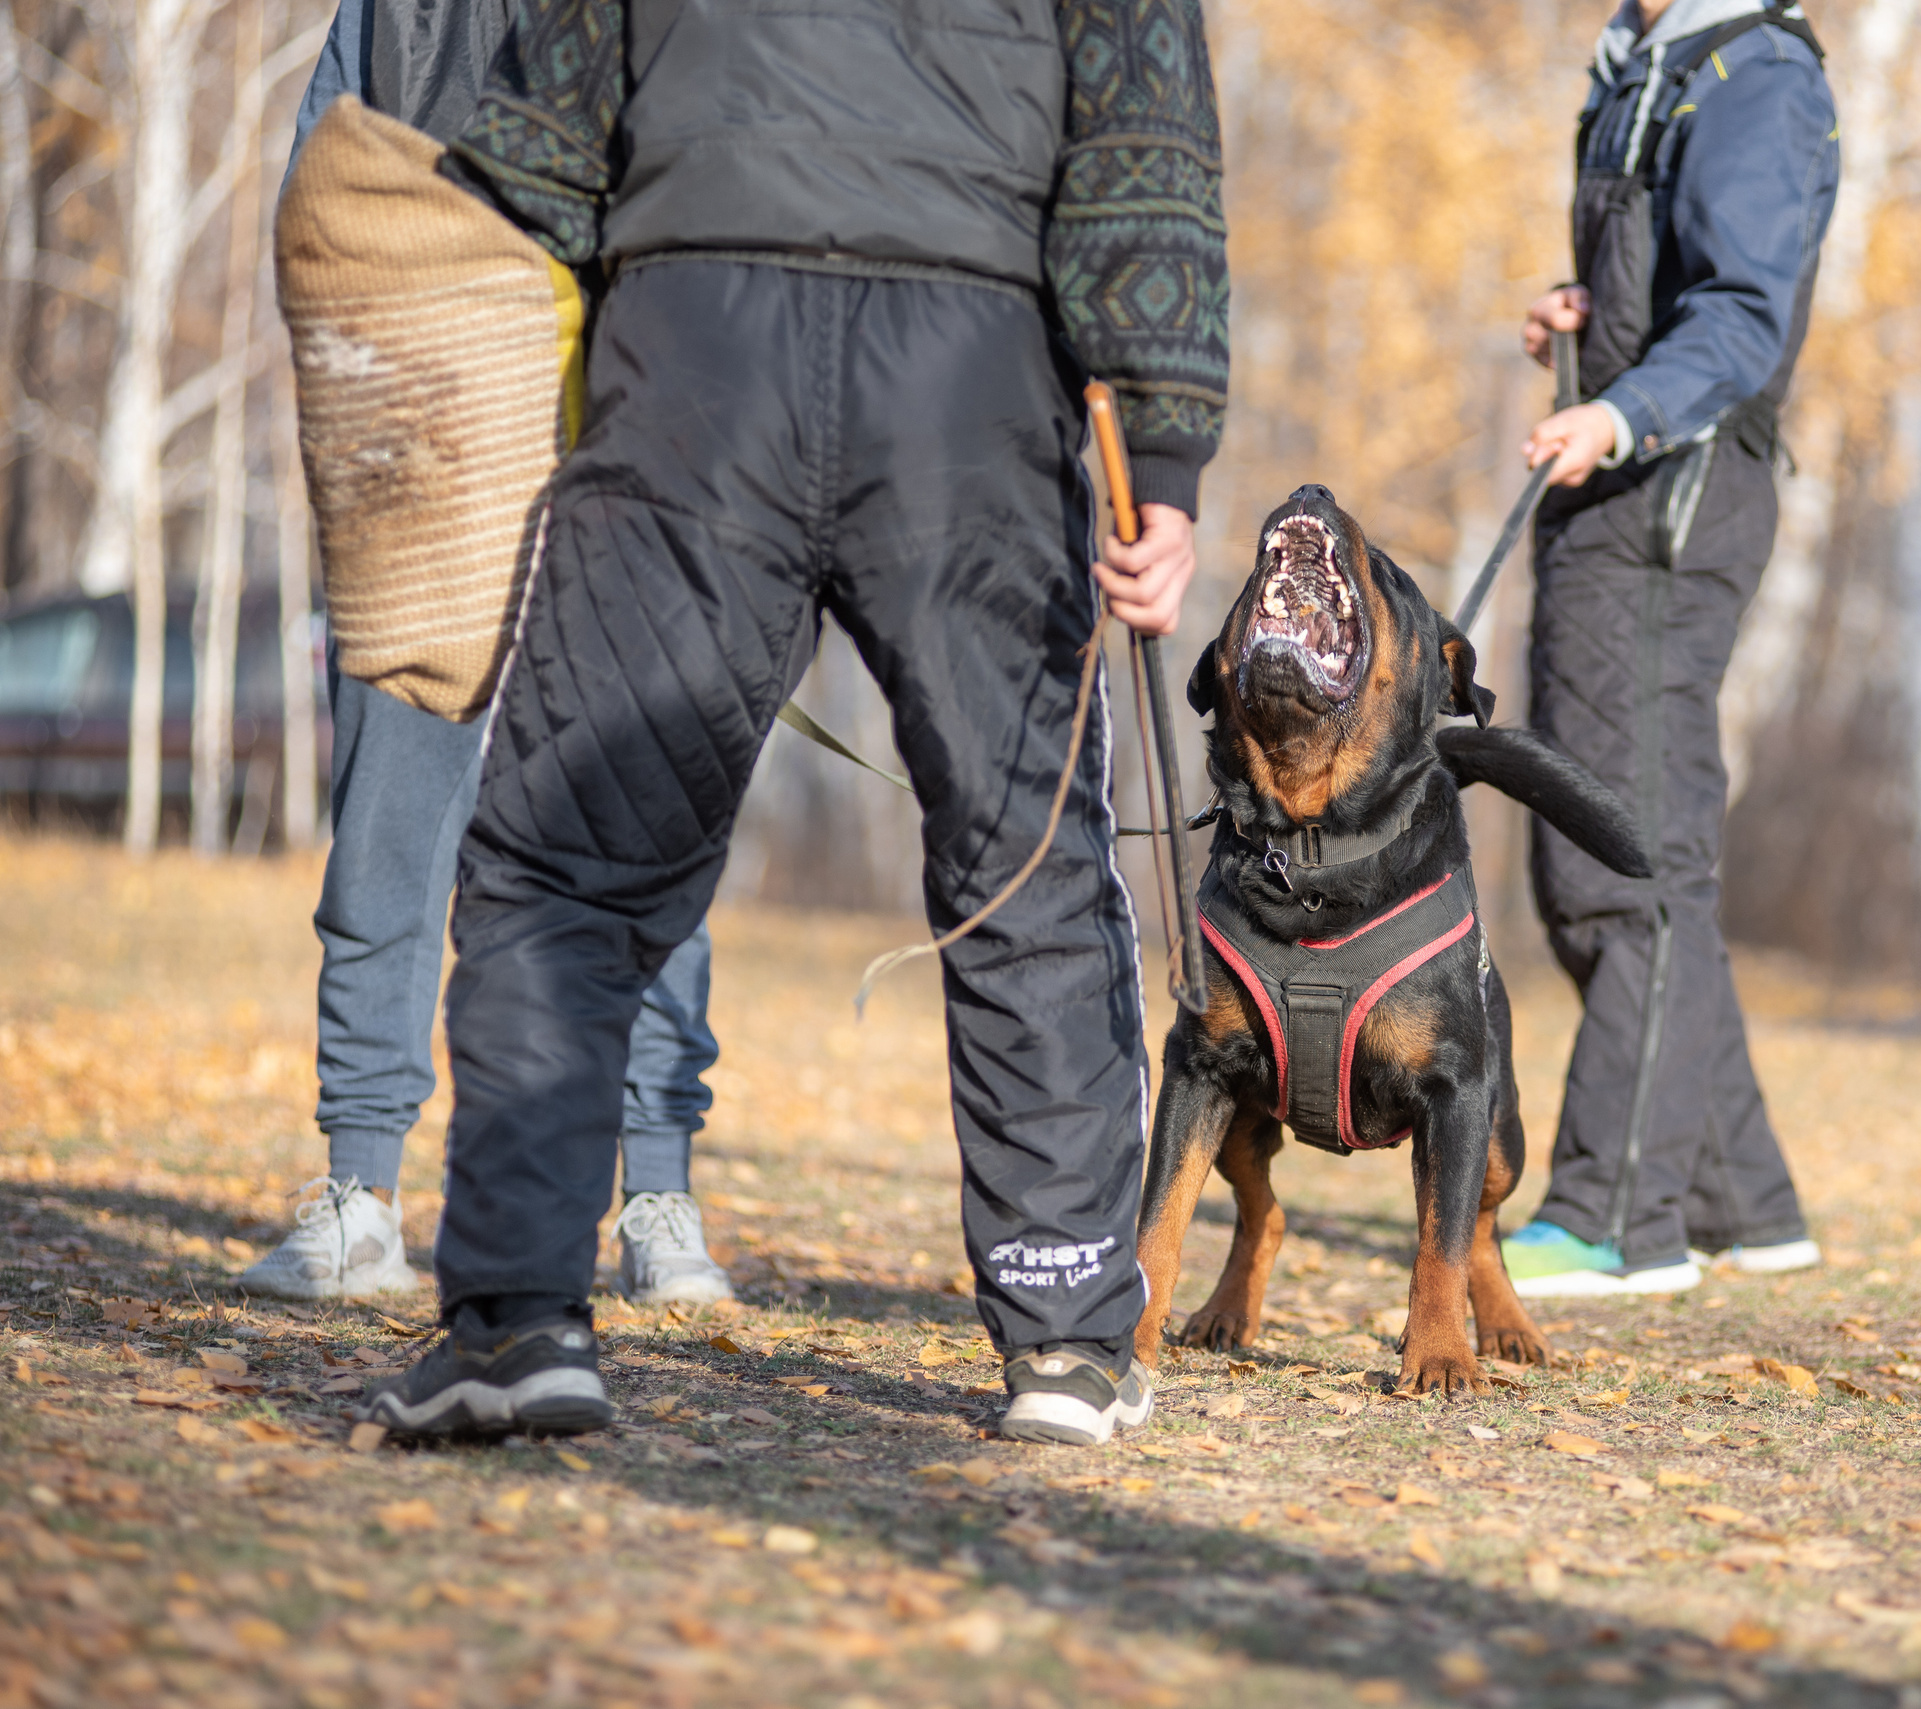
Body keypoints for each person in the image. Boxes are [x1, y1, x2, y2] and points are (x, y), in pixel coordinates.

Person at [354, 0, 1226, 1447]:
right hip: (973, 364)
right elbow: (1147, 133)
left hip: (697, 346)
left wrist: (480, 331)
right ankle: (1069, 1334)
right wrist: (1168, 445)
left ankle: (513, 1320)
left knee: (571, 850)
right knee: (1025, 859)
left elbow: (549, 117)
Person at [239, 0, 734, 1310]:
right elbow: (324, 187)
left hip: (623, 458)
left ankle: (658, 1195)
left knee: (643, 821)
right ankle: (359, 1192)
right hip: (434, 449)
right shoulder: (397, 10)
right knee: (391, 824)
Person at [1498, 0, 1834, 1298]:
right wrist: (1587, 323)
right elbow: (1681, 287)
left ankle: (1615, 1215)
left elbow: (1746, 318)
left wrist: (1622, 410)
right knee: (1648, 863)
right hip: (1622, 494)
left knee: (1619, 863)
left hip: (1665, 506)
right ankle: (1740, 1200)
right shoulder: (1653, 69)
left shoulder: (1756, 80)